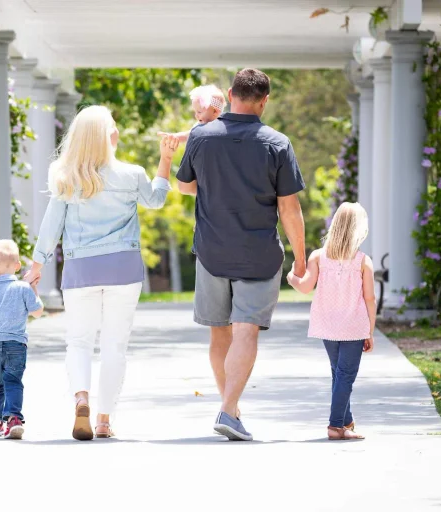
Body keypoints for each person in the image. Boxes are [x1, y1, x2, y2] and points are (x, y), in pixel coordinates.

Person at [24, 105, 179, 441]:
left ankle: (82, 398)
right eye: (114, 127)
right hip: (124, 268)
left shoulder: (67, 176)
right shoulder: (132, 173)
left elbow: (52, 226)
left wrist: (36, 267)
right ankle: (105, 419)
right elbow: (155, 201)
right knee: (114, 345)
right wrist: (164, 161)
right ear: (107, 136)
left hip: (81, 270)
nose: (118, 131)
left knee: (78, 342)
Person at [176, 68, 307, 441]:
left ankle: (229, 408)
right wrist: (300, 258)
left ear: (230, 94)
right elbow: (289, 209)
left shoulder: (201, 136)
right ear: (265, 101)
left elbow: (185, 186)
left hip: (212, 251)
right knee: (246, 330)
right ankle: (229, 409)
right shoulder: (277, 143)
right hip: (258, 255)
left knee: (220, 334)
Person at [286, 202, 376, 440]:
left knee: (339, 373)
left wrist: (290, 277)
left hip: (327, 325)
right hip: (354, 326)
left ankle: (346, 420)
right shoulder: (363, 260)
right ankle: (335, 426)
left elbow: (305, 287)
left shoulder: (318, 257)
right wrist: (370, 331)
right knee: (345, 375)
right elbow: (370, 299)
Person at [0, 239, 44, 440]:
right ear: (17, 266)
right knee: (13, 381)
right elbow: (38, 312)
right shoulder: (23, 288)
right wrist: (33, 288)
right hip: (16, 344)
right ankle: (14, 418)